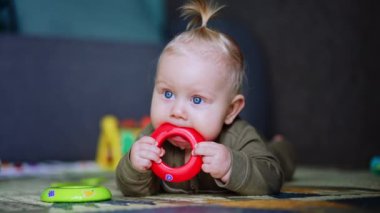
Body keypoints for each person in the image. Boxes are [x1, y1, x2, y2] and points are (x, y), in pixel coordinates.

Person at [116, 0, 295, 196]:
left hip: (262, 149)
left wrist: (230, 166)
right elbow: (132, 188)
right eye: (168, 94)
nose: (177, 112)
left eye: (197, 100)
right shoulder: (152, 138)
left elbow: (271, 180)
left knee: (277, 158)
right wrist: (134, 166)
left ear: (230, 110)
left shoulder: (239, 137)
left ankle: (281, 146)